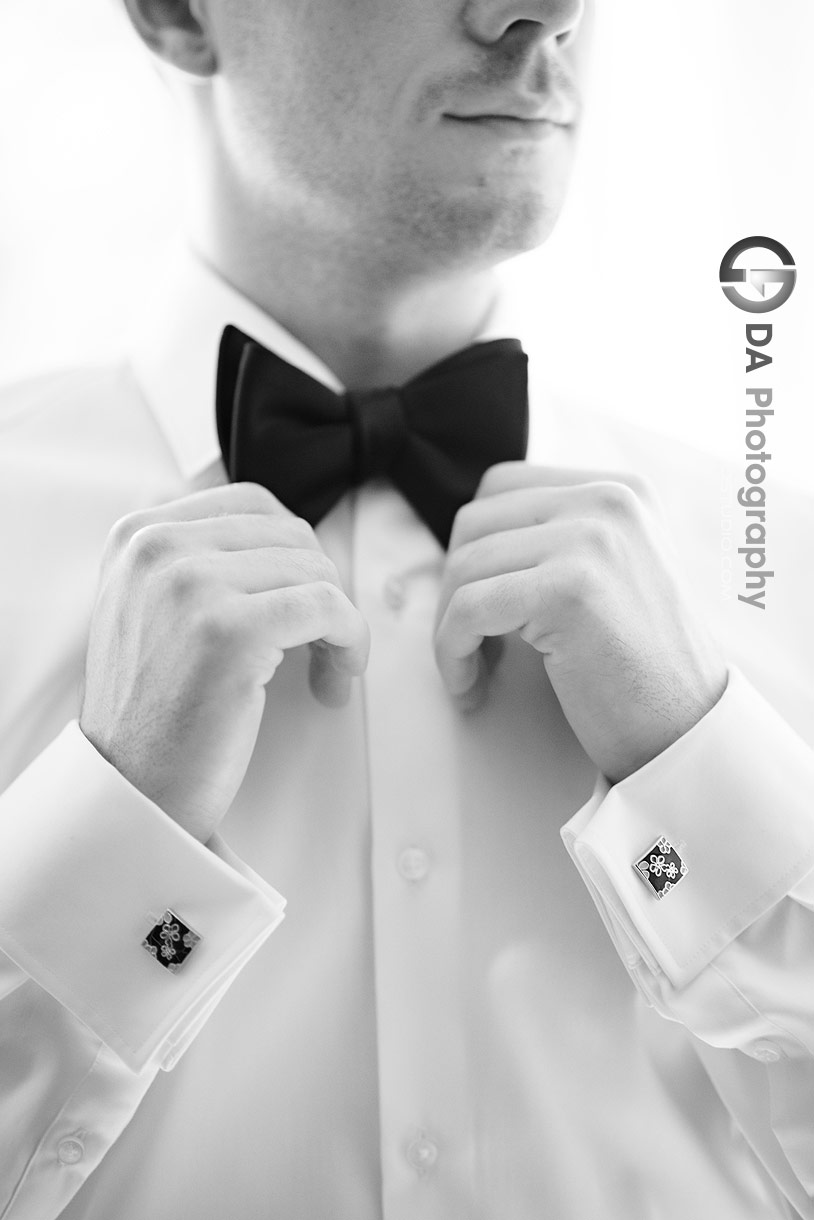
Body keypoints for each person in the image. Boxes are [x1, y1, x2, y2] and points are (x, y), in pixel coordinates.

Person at [1, 0, 813, 1217]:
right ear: (176, 13)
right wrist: (108, 833)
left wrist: (707, 777)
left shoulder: (780, 566)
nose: (547, 9)